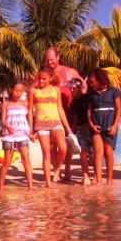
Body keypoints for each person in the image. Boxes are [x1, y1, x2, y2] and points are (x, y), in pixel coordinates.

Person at [30, 47, 87, 180]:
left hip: (66, 113)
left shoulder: (68, 71)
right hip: (47, 116)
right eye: (47, 60)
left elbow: (83, 85)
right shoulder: (43, 74)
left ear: (58, 57)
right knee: (51, 147)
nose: (49, 62)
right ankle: (57, 172)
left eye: (52, 60)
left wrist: (79, 99)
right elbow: (32, 89)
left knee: (67, 144)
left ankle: (66, 168)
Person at [28, 65, 73, 188]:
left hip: (56, 122)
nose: (41, 81)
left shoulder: (56, 90)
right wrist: (31, 130)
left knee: (63, 148)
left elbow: (60, 109)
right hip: (41, 125)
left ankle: (57, 170)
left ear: (50, 78)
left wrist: (68, 128)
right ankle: (48, 183)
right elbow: (30, 112)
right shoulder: (33, 91)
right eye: (39, 78)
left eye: (44, 79)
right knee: (46, 154)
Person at [87, 68, 121, 185]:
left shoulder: (113, 91)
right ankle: (99, 179)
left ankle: (110, 179)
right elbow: (89, 110)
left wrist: (115, 125)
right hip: (96, 123)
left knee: (108, 151)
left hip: (110, 123)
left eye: (92, 81)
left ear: (100, 79)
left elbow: (119, 108)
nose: (91, 84)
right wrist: (91, 124)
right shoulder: (91, 94)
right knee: (98, 151)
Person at [0, 80, 33, 190]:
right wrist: (8, 127)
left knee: (26, 160)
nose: (18, 93)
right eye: (16, 90)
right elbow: (3, 121)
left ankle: (30, 186)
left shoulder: (25, 104)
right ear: (11, 90)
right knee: (7, 162)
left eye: (21, 91)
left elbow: (30, 117)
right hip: (9, 135)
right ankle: (0, 187)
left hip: (23, 135)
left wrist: (31, 133)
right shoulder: (6, 104)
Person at [68, 78, 92, 185]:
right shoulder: (73, 103)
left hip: (90, 128)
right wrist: (72, 132)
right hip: (80, 130)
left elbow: (92, 114)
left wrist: (87, 125)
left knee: (93, 154)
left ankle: (96, 176)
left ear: (80, 88)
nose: (72, 90)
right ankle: (85, 176)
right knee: (82, 154)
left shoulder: (88, 98)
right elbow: (75, 119)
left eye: (74, 88)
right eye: (70, 89)